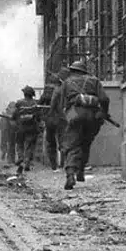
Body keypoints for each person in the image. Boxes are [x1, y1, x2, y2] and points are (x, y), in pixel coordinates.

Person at [52, 58, 108, 191]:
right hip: (93, 115)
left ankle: (70, 174)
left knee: (72, 145)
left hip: (74, 114)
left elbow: (60, 105)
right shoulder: (95, 81)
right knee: (86, 143)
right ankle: (81, 170)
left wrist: (64, 118)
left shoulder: (66, 83)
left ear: (73, 71)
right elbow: (104, 99)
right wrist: (103, 113)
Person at [10, 86, 43, 174]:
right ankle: (27, 161)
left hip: (21, 128)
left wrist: (14, 120)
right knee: (29, 145)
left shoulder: (19, 103)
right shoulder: (35, 104)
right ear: (32, 95)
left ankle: (21, 157)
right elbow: (39, 117)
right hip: (32, 128)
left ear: (24, 94)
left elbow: (14, 115)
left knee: (20, 144)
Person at [40, 78, 63, 169]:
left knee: (50, 143)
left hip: (49, 120)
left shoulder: (46, 92)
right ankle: (63, 163)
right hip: (61, 120)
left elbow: (39, 104)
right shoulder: (62, 90)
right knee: (62, 142)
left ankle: (53, 165)